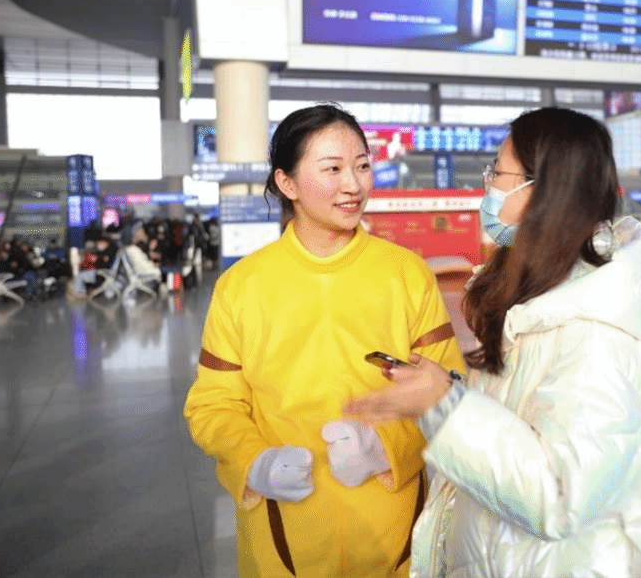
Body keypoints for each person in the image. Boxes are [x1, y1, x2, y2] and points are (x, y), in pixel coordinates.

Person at [344, 108, 641, 577]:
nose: (488, 186)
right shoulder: (538, 303)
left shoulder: (595, 336)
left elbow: (561, 495)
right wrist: (445, 395)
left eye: (498, 173)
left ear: (542, 191)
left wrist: (446, 407)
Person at [183, 104, 465, 577]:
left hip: (394, 531)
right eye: (332, 169)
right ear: (288, 183)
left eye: (362, 165)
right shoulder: (242, 286)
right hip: (283, 537)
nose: (353, 184)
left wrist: (385, 447)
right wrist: (255, 462)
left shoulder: (406, 274)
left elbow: (449, 388)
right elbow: (213, 403)